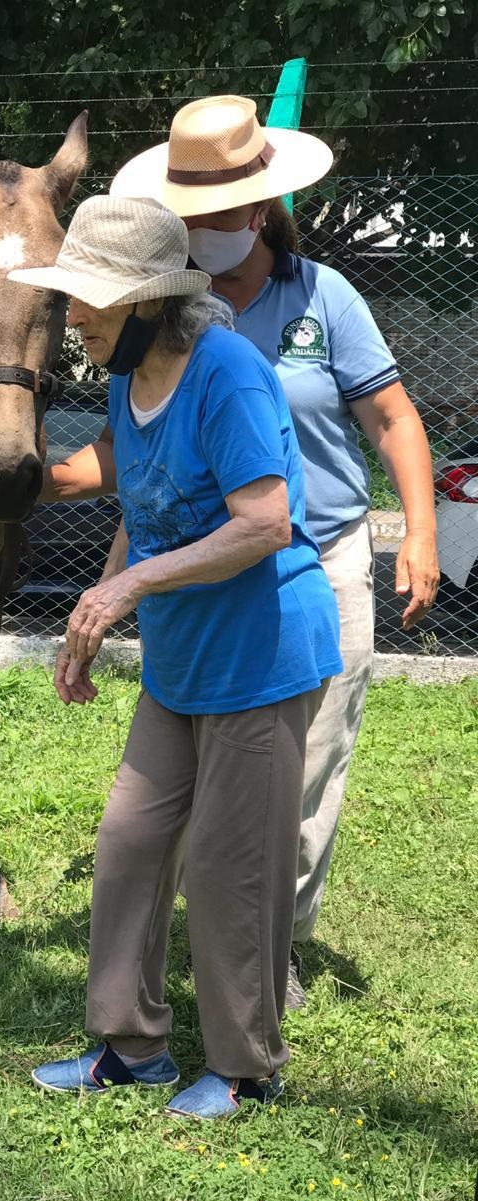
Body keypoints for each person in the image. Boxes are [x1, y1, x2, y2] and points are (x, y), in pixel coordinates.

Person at [7, 194, 342, 1119]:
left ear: (150, 303)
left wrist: (130, 589)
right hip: (182, 660)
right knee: (129, 844)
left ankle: (246, 1068)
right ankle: (130, 1047)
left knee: (233, 871)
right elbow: (147, 509)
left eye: (89, 301)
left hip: (263, 655)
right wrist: (102, 611)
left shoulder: (227, 373)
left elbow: (265, 523)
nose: (72, 317)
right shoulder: (126, 378)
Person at [110, 97, 440, 1005]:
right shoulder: (165, 309)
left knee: (306, 767)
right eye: (186, 209)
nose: (197, 227)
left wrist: (418, 531)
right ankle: (214, 930)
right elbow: (142, 448)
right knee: (195, 768)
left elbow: (392, 417)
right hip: (200, 571)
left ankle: (271, 946)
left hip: (317, 560)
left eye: (214, 211)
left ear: (258, 209)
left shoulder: (322, 298)